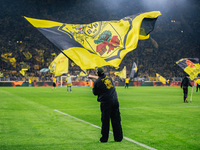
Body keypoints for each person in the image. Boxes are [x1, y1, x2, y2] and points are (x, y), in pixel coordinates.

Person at [92, 67, 123, 143]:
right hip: (115, 100)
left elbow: (95, 92)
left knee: (105, 121)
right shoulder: (109, 78)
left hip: (106, 102)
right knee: (116, 120)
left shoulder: (97, 82)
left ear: (97, 73)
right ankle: (118, 138)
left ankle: (104, 138)